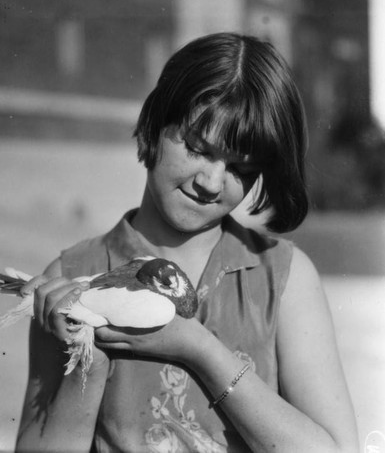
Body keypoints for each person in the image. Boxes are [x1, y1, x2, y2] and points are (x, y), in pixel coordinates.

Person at [16, 33, 358, 452]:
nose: (211, 182)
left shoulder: (282, 277)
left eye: (241, 168)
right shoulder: (72, 276)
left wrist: (200, 350)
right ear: (154, 126)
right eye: (197, 148)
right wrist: (86, 360)